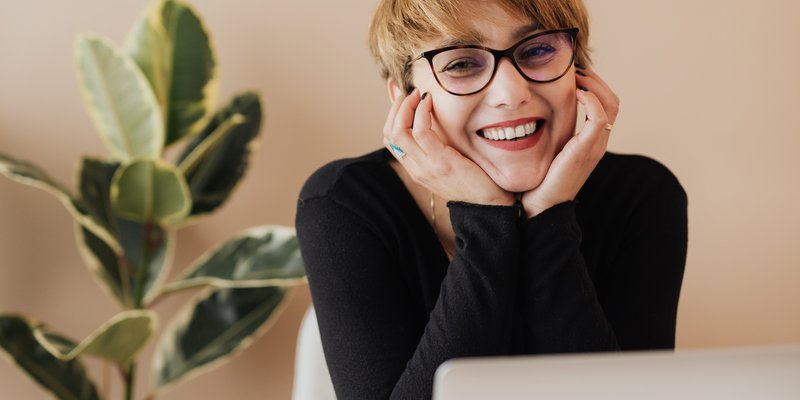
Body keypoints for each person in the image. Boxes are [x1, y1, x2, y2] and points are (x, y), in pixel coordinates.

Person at [295, 0, 688, 398]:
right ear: (404, 98)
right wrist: (485, 217)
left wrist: (548, 216)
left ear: (579, 74)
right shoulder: (344, 204)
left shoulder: (642, 195)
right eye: (462, 64)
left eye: (537, 50)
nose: (511, 93)